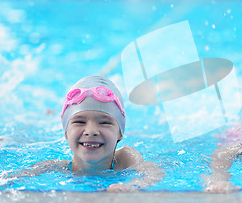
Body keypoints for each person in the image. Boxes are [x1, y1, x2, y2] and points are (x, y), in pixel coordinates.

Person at [9, 75, 164, 192]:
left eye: (104, 122)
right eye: (79, 121)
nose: (91, 131)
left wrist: (134, 185)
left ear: (120, 133)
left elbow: (153, 172)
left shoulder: (125, 158)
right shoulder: (55, 167)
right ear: (66, 132)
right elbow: (16, 176)